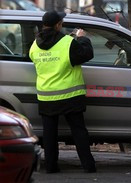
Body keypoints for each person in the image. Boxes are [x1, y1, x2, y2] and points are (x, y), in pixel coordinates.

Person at [29, 11, 96, 173]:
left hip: (46, 96)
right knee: (78, 131)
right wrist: (81, 38)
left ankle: (51, 167)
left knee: (49, 134)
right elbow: (87, 53)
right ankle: (88, 166)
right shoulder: (68, 42)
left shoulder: (34, 45)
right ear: (58, 25)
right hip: (70, 95)